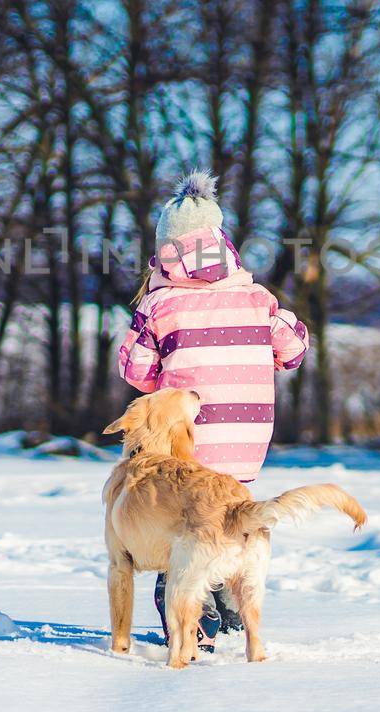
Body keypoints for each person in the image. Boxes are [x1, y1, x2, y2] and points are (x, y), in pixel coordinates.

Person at [116, 171, 310, 653]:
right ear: (223, 246)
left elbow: (137, 374)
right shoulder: (258, 298)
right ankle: (228, 606)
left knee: (185, 522)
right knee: (228, 512)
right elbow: (294, 351)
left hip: (186, 442)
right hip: (247, 442)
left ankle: (190, 615)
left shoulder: (160, 306)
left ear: (165, 251)